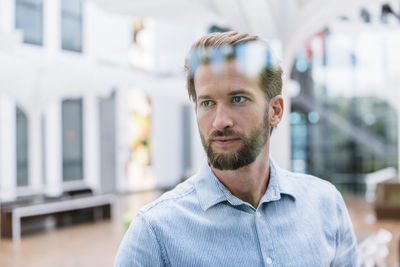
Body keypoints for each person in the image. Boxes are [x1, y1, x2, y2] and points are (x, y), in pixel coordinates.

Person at [114, 31, 358, 266]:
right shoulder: (154, 234)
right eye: (207, 103)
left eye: (238, 99)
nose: (220, 121)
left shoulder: (326, 205)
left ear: (275, 111)